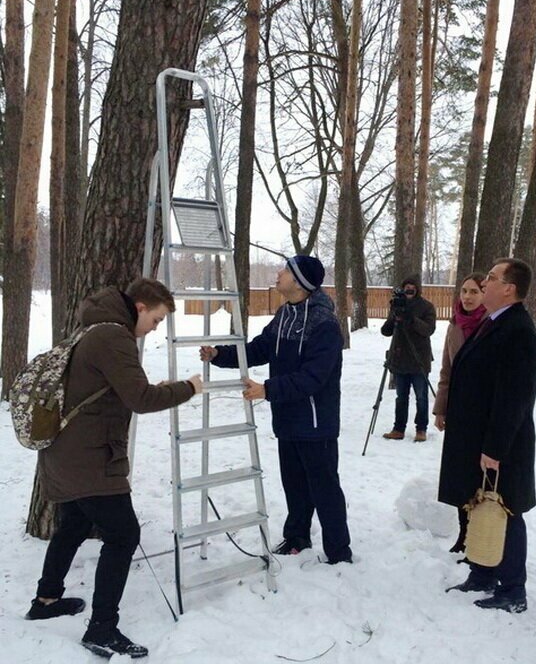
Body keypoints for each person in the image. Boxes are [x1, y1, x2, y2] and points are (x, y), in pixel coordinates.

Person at [26, 278, 203, 658]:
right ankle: (102, 629)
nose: (155, 328)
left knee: (73, 523)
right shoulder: (113, 336)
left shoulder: (94, 327)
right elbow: (140, 398)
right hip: (90, 458)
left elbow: (116, 389)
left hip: (68, 453)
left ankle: (46, 600)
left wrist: (151, 388)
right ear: (140, 307)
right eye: (156, 320)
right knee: (123, 535)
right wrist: (188, 388)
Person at [200, 255, 352, 564]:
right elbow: (259, 348)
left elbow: (313, 378)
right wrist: (219, 354)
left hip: (315, 423)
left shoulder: (324, 325)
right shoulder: (285, 314)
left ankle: (339, 551)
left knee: (324, 489)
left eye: (284, 270)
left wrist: (267, 390)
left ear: (298, 281)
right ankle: (297, 537)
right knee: (294, 485)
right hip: (287, 420)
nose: (278, 274)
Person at [439, 258, 536, 613]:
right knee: (479, 503)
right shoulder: (492, 322)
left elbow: (514, 397)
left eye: (493, 278)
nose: (485, 282)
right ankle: (482, 573)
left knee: (505, 511)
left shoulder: (518, 331)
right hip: (477, 438)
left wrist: (495, 448)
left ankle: (513, 589)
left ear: (509, 288)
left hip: (503, 444)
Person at [432, 272, 487, 553]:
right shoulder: (454, 325)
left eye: (474, 292)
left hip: (482, 413)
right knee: (459, 477)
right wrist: (440, 409)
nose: (467, 297)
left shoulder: (491, 325)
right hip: (457, 413)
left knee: (480, 479)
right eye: (464, 291)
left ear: (484, 294)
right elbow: (446, 370)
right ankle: (463, 533)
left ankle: (480, 535)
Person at [381, 275, 436, 442]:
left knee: (421, 397)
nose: (409, 290)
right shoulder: (397, 305)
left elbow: (428, 329)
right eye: (406, 287)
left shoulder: (427, 307)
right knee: (401, 397)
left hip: (419, 358)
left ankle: (421, 429)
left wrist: (412, 318)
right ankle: (398, 428)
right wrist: (394, 315)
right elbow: (386, 331)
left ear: (417, 289)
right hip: (400, 358)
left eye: (412, 287)